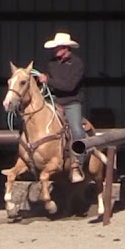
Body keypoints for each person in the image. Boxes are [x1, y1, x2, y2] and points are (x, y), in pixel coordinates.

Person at [38, 31, 85, 183]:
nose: (55, 50)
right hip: (55, 101)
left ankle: (77, 164)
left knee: (77, 131)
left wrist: (48, 80)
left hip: (71, 102)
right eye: (55, 48)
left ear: (66, 48)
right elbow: (51, 86)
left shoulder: (77, 64)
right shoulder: (51, 63)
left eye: (58, 47)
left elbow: (70, 87)